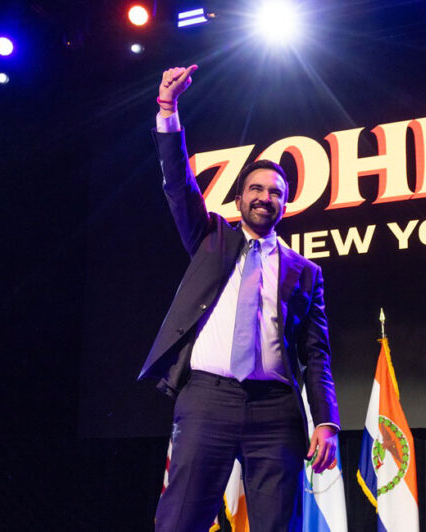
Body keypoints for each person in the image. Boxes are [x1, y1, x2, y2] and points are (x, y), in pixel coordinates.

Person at [137, 64, 340, 531]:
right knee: (179, 521)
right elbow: (177, 185)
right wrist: (168, 110)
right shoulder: (212, 238)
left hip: (276, 411)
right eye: (256, 189)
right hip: (208, 398)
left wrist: (326, 421)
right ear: (240, 198)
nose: (265, 197)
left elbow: (317, 354)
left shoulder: (305, 271)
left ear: (285, 203)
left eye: (275, 192)